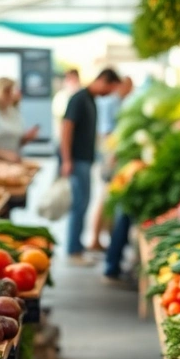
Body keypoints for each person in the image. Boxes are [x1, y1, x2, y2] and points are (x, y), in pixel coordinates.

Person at [60, 68, 122, 265]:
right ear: (103, 80)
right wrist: (67, 159)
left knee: (84, 203)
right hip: (77, 160)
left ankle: (77, 246)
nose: (110, 93)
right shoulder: (79, 98)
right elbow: (66, 128)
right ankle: (73, 251)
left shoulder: (91, 99)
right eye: (110, 88)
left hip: (85, 160)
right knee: (79, 204)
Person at [90, 76, 134, 252]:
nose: (130, 91)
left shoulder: (118, 102)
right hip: (110, 157)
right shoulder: (112, 103)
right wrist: (113, 155)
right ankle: (95, 239)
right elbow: (107, 132)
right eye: (128, 87)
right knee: (105, 197)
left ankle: (102, 237)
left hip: (111, 155)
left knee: (107, 197)